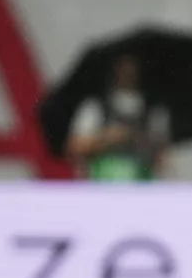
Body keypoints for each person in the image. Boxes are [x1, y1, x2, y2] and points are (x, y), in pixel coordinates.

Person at [68, 54, 169, 182]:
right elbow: (75, 147)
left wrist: (149, 146)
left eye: (132, 65)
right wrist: (106, 139)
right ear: (114, 67)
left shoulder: (154, 111)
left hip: (141, 185)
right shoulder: (96, 106)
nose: (128, 70)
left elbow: (163, 155)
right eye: (123, 65)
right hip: (103, 185)